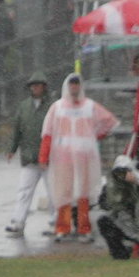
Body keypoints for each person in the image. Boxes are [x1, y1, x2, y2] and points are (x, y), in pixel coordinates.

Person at [39, 73, 118, 242]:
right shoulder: (58, 107)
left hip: (84, 160)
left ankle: (84, 228)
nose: (74, 88)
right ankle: (63, 227)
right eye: (72, 85)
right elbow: (48, 132)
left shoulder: (89, 107)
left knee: (83, 194)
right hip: (63, 158)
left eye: (77, 85)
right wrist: (44, 156)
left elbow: (108, 122)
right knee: (63, 194)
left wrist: (93, 137)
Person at [3, 72, 52, 235]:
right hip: (29, 157)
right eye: (33, 86)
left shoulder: (53, 106)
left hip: (50, 158)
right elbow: (17, 129)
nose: (35, 88)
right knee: (24, 190)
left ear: (44, 87)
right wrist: (12, 148)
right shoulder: (24, 107)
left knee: (53, 191)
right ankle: (18, 221)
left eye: (38, 85)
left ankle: (56, 221)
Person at [95, 154, 139, 259]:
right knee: (104, 221)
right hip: (128, 226)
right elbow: (104, 205)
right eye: (118, 173)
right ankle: (120, 253)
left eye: (124, 172)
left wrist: (136, 182)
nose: (122, 176)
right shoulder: (112, 186)